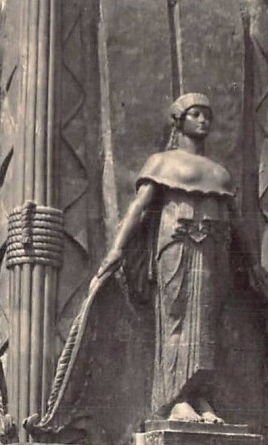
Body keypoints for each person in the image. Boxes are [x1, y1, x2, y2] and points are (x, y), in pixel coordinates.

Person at [96, 93, 236, 421]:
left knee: (205, 324)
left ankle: (200, 396)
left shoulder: (219, 172)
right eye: (195, 114)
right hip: (176, 245)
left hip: (212, 250)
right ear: (179, 120)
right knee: (176, 318)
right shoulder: (162, 162)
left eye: (207, 115)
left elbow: (236, 220)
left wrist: (254, 265)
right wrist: (117, 248)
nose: (203, 121)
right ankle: (176, 399)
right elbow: (139, 207)